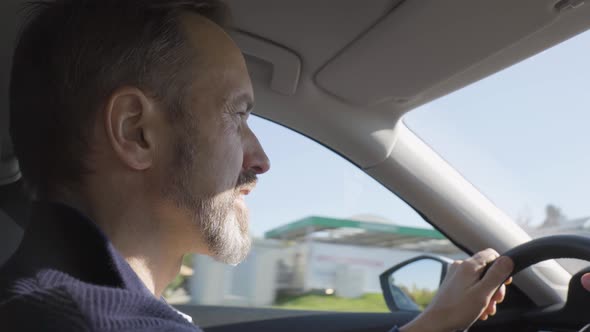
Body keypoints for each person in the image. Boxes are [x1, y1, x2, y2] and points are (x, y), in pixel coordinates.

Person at [0, 0, 580, 331]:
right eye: (237, 115)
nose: (262, 160)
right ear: (136, 131)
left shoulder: (74, 305)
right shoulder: (90, 321)